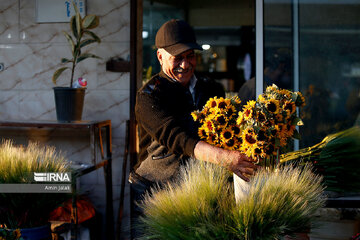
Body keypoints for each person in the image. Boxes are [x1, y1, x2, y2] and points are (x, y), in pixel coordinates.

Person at [130, 19, 258, 237]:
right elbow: (178, 140)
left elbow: (226, 130)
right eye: (177, 58)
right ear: (160, 57)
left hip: (199, 190)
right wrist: (227, 159)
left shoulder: (211, 88)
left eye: (190, 56)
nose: (185, 64)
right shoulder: (149, 96)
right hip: (155, 190)